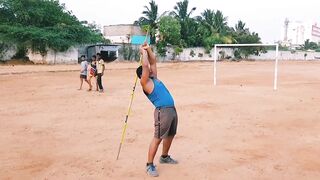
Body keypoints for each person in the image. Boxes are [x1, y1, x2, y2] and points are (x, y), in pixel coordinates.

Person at [136, 44, 178, 177]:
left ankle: (164, 157)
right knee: (158, 138)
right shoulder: (145, 83)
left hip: (171, 110)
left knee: (170, 135)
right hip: (162, 112)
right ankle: (149, 165)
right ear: (142, 75)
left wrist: (148, 49)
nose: (151, 70)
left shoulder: (155, 78)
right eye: (147, 71)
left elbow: (153, 61)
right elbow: (146, 66)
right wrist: (143, 53)